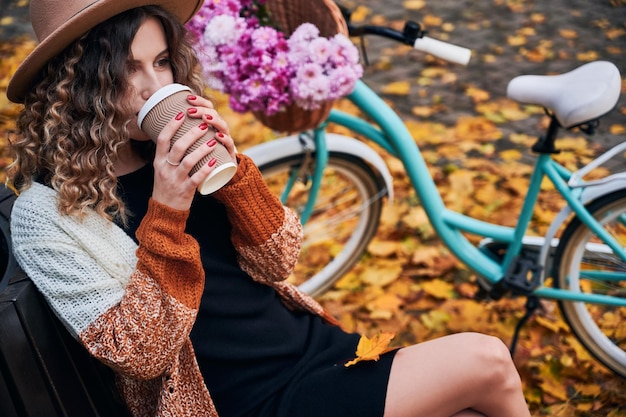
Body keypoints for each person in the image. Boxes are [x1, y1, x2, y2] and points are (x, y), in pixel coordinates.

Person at [5, 0, 532, 416]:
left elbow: (279, 260)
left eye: (162, 62)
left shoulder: (178, 147)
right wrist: (166, 209)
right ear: (76, 86)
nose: (155, 86)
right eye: (126, 70)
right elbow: (142, 353)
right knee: (486, 361)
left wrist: (237, 175)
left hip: (311, 351)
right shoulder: (46, 213)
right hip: (243, 399)